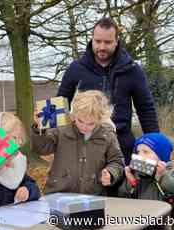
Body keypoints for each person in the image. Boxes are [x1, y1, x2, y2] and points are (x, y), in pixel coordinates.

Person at [57, 17, 159, 165]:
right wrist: (43, 128)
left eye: (107, 42)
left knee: (125, 187)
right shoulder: (76, 68)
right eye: (98, 41)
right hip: (84, 147)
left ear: (117, 41)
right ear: (92, 39)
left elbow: (146, 110)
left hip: (121, 147)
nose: (102, 47)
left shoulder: (133, 70)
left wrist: (155, 147)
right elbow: (59, 105)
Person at [31, 90, 124, 195]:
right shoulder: (62, 128)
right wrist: (39, 130)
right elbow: (42, 148)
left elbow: (117, 161)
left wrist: (111, 173)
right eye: (80, 121)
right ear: (74, 115)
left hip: (92, 196)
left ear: (100, 120)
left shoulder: (107, 135)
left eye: (90, 124)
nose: (84, 127)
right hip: (59, 193)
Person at [118, 133, 174, 230]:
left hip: (168, 225)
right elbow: (123, 196)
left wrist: (162, 176)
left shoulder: (172, 172)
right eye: (138, 152)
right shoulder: (137, 173)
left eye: (146, 152)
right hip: (143, 223)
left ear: (161, 155)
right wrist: (131, 181)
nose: (140, 155)